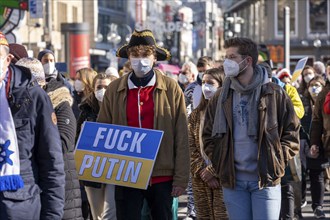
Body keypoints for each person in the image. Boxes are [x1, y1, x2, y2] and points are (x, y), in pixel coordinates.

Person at [202, 37, 300, 219]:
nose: (226, 62)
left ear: (248, 61)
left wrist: (277, 158)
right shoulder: (220, 96)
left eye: (232, 57)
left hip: (266, 179)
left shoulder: (274, 93)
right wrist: (219, 161)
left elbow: (292, 132)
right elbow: (207, 135)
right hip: (233, 181)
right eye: (226, 57)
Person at [98, 29, 190, 220]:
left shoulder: (171, 88)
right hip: (126, 174)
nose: (140, 60)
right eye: (135, 55)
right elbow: (103, 130)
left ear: (154, 57)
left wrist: (181, 178)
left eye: (145, 55)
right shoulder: (115, 89)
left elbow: (182, 136)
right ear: (128, 58)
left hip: (162, 175)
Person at [0, 33, 65, 219]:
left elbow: (52, 163)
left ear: (7, 60)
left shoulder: (32, 96)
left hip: (20, 208)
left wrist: (52, 215)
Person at [16, 57, 83, 220]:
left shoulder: (60, 102)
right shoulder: (20, 105)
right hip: (36, 187)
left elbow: (64, 141)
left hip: (63, 189)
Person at [76, 73, 117, 220]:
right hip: (92, 168)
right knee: (97, 214)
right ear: (93, 89)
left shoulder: (120, 110)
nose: (103, 90)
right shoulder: (86, 110)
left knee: (110, 213)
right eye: (99, 87)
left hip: (116, 168)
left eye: (107, 87)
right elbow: (77, 139)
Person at [188, 67, 227, 220]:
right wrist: (202, 170)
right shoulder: (196, 115)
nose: (206, 87)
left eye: (211, 83)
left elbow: (229, 146)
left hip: (223, 176)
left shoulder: (228, 112)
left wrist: (213, 170)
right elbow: (190, 146)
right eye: (203, 82)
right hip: (200, 177)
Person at [307, 75, 328, 218]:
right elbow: (317, 121)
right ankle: (318, 206)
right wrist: (314, 143)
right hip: (324, 140)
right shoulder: (324, 94)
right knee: (317, 172)